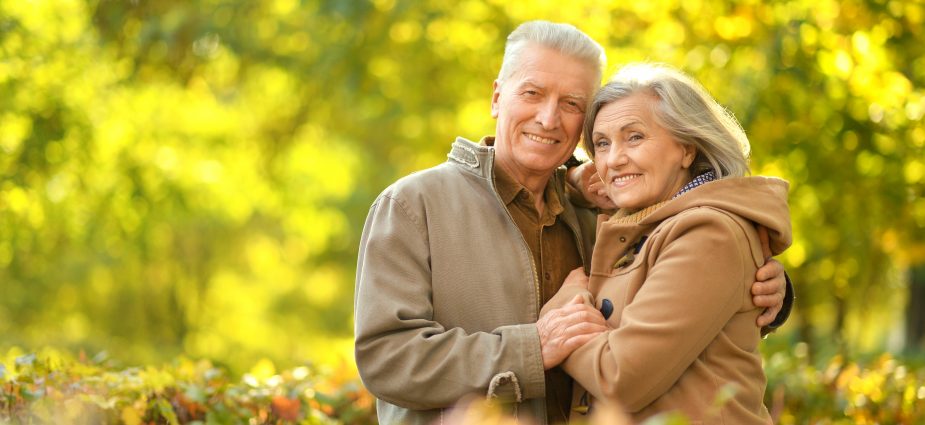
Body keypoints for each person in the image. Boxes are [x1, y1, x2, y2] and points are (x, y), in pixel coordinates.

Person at [354, 21, 790, 425]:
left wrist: (768, 290)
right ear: (496, 97)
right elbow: (387, 358)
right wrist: (531, 348)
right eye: (532, 93)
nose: (548, 118)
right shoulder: (414, 205)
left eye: (571, 104)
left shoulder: (609, 211)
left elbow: (684, 286)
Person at [541, 63, 791, 423]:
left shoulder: (709, 234)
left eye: (635, 137)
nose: (613, 159)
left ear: (687, 148)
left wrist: (561, 311)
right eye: (602, 144)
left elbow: (621, 378)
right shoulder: (645, 224)